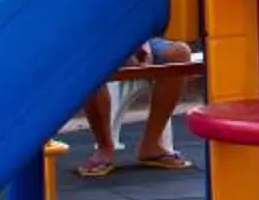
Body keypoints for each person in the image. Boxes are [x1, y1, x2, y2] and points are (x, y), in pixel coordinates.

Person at [73, 37, 195, 178]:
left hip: (135, 38)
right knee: (88, 61)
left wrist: (143, 46)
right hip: (97, 39)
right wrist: (126, 51)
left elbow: (142, 22)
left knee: (180, 53)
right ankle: (104, 147)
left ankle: (152, 145)